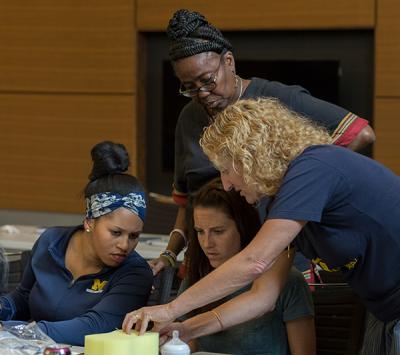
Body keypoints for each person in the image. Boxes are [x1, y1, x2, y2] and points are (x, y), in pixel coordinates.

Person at [123, 98, 400, 355]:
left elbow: (254, 262)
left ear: (252, 157)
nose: (227, 184)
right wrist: (186, 328)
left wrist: (170, 308)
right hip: (384, 310)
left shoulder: (314, 168)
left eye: (227, 169)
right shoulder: (278, 201)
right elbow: (262, 296)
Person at [149, 8, 376, 275]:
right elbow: (189, 201)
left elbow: (361, 134)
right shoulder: (189, 118)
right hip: (211, 263)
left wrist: (305, 191)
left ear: (229, 62)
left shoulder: (275, 100)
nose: (202, 94)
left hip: (279, 261)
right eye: (189, 87)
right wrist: (169, 254)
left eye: (207, 81)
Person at [0, 141, 153, 346]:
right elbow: (24, 296)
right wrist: (3, 308)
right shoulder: (51, 242)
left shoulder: (135, 273)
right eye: (116, 232)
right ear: (89, 221)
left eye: (134, 236)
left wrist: (24, 332)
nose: (125, 245)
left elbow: (96, 324)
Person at [168, 178, 315, 355]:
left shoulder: (286, 282)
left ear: (243, 226)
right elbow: (187, 348)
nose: (207, 243)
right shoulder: (197, 278)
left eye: (218, 231)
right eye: (200, 231)